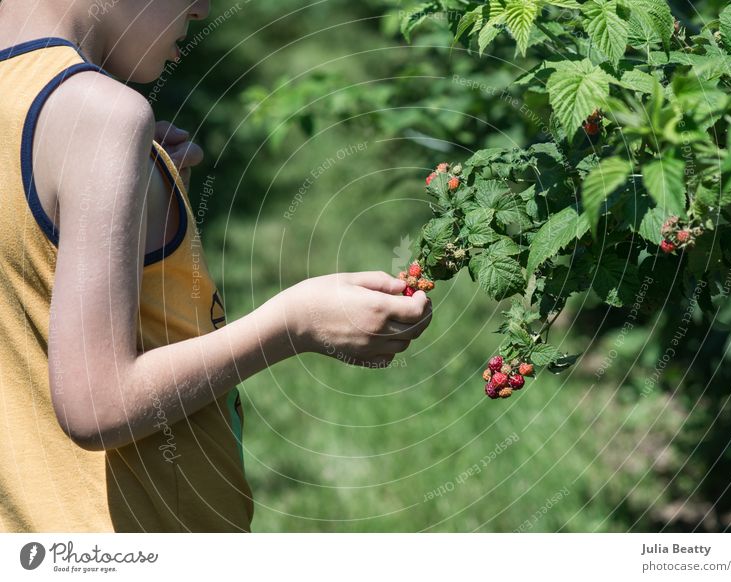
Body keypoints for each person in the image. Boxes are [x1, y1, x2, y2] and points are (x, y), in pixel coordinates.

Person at [0, 0, 432, 532]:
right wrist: (291, 324)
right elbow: (95, 403)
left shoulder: (28, 104)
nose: (203, 9)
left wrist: (130, 182)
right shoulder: (99, 115)